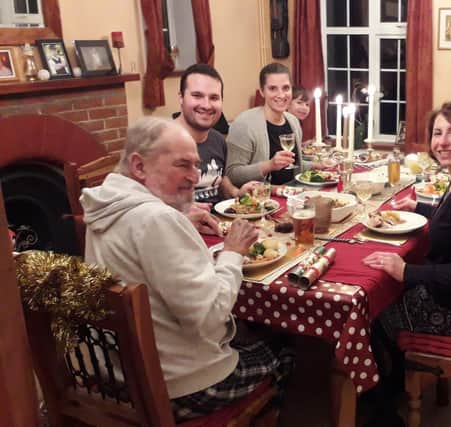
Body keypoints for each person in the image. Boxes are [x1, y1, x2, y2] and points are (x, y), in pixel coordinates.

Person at [80, 117, 294, 422]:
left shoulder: (106, 205)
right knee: (286, 342)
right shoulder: (157, 221)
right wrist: (232, 253)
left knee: (248, 332)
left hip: (118, 374)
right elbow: (209, 318)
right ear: (139, 167)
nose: (195, 177)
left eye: (196, 165)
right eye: (183, 165)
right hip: (180, 386)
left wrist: (179, 223)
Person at [361, 99, 451, 427]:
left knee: (370, 309)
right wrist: (420, 209)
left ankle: (384, 408)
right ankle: (398, 377)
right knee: (385, 290)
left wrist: (407, 271)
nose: (442, 141)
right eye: (437, 133)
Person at [175, 63, 259, 205]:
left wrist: (236, 193)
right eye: (197, 96)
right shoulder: (159, 142)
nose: (206, 105)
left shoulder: (218, 140)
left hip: (219, 223)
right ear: (181, 98)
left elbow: (219, 178)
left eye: (214, 98)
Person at [225, 63, 304, 186]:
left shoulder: (293, 121)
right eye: (273, 88)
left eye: (286, 88)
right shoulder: (244, 124)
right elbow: (232, 174)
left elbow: (295, 165)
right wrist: (269, 165)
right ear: (262, 91)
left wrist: (319, 165)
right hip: (261, 200)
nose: (281, 95)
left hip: (292, 194)